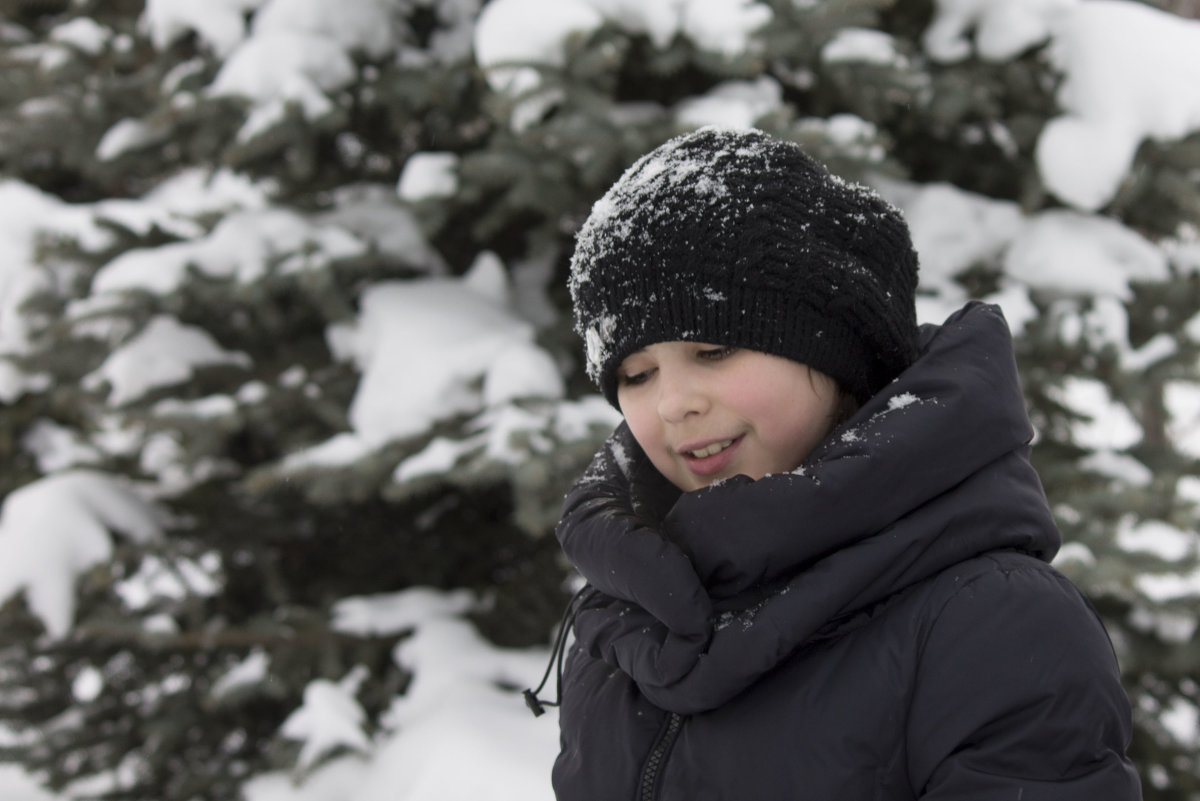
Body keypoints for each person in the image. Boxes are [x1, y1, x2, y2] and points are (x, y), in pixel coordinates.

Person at [526, 126, 1143, 800]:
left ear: (832, 351)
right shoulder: (624, 615)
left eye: (713, 351)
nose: (673, 404)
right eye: (637, 374)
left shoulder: (994, 624)